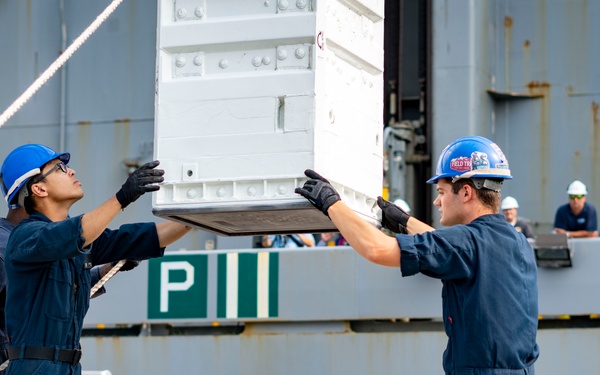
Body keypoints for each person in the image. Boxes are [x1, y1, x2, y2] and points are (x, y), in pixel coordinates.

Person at [295, 135, 539, 374]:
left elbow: (375, 248)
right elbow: (451, 247)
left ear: (466, 193)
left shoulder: (467, 243)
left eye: (442, 192)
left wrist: (331, 203)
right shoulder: (516, 241)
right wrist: (404, 222)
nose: (436, 201)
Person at [0, 143, 192, 375]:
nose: (71, 171)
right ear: (39, 189)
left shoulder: (76, 243)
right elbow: (74, 233)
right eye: (60, 168)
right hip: (33, 368)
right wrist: (122, 197)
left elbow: (148, 237)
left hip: (69, 367)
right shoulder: (25, 238)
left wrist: (197, 215)